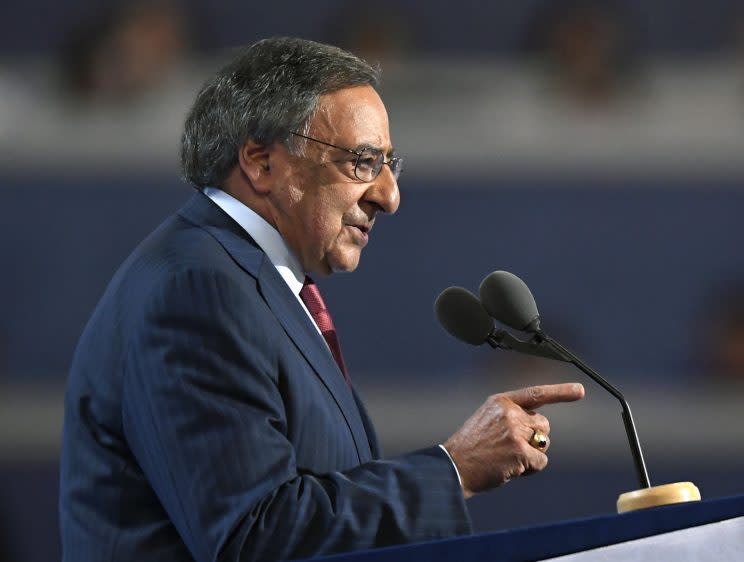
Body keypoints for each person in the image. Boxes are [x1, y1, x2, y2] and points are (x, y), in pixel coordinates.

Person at [59, 37, 585, 561]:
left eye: (389, 166)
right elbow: (254, 536)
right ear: (261, 163)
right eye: (362, 161)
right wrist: (454, 469)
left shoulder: (253, 283)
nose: (389, 196)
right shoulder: (198, 291)